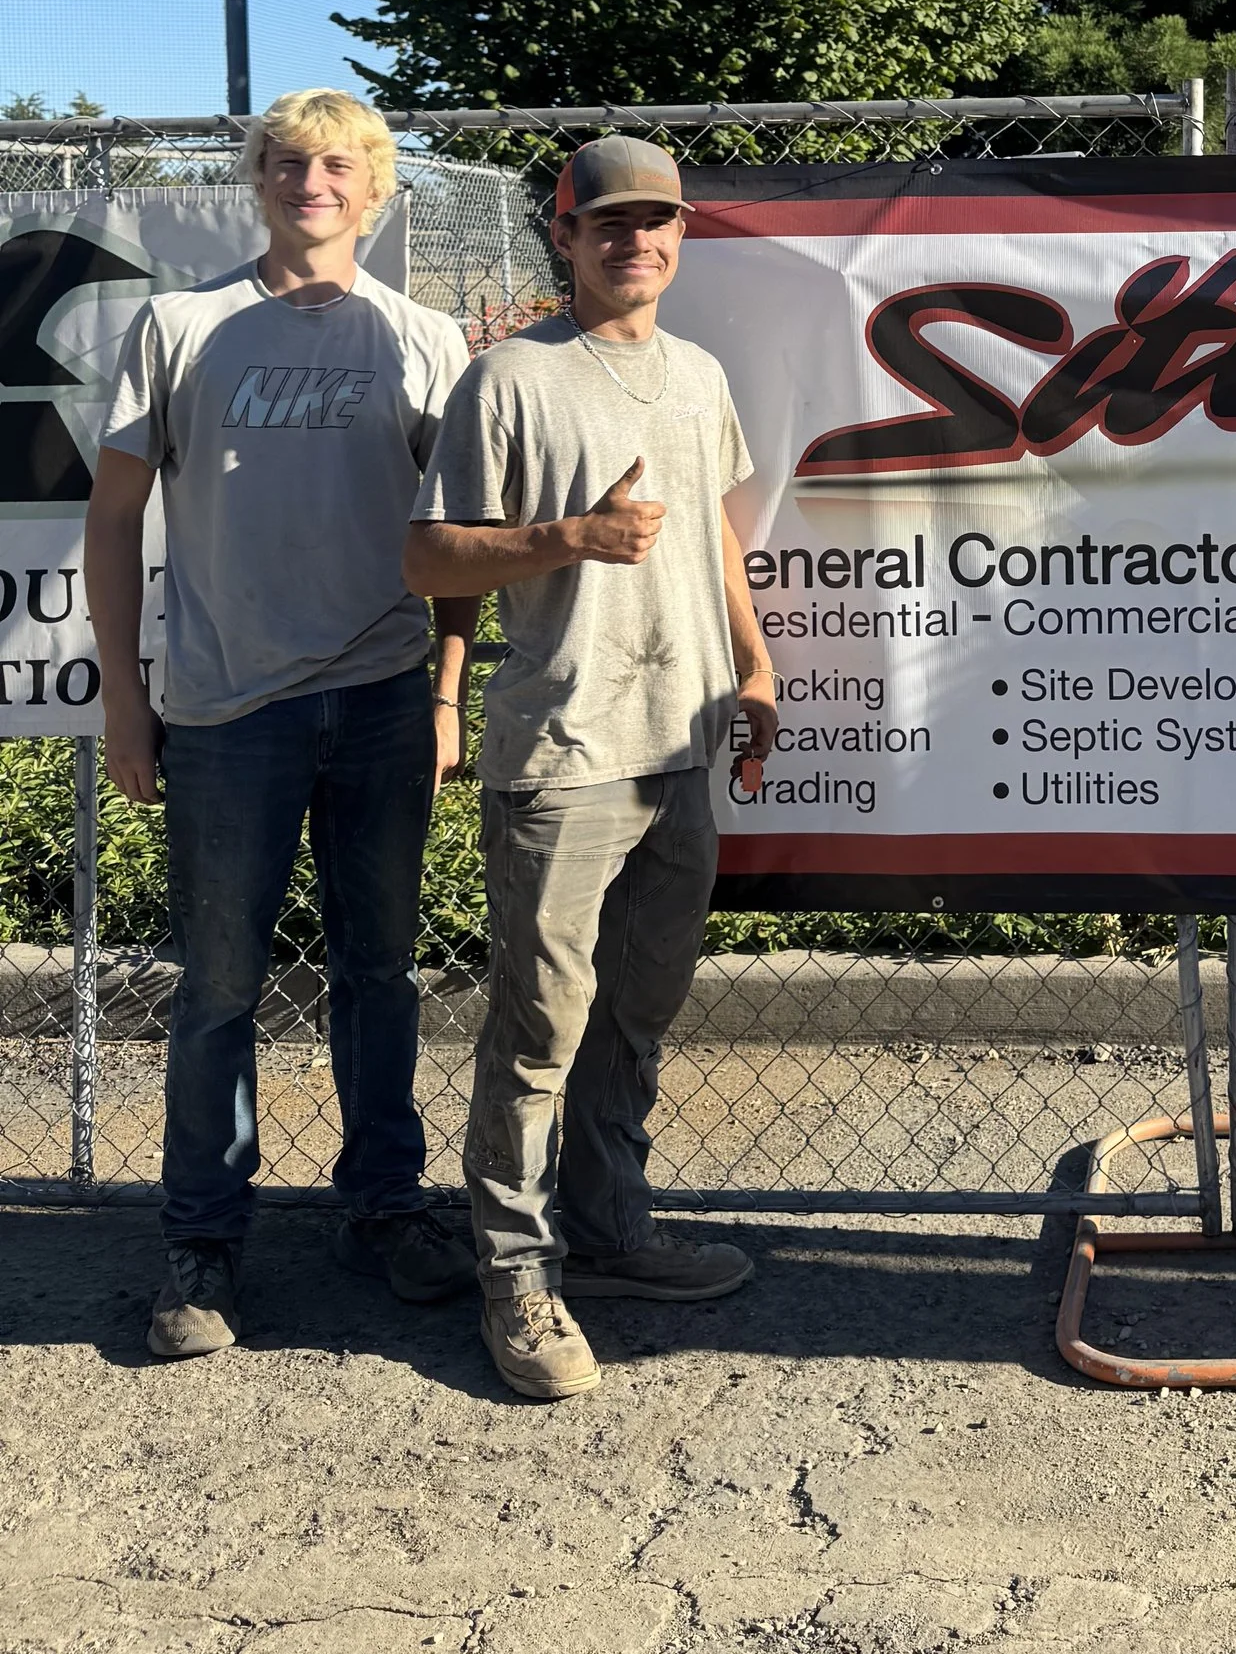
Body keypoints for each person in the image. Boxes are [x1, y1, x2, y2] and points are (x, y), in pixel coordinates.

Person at [86, 90, 480, 1360]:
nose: (312, 181)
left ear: (376, 191)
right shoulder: (181, 325)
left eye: (339, 164)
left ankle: (384, 1210)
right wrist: (128, 704)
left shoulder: (423, 339)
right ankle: (203, 1246)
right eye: (288, 162)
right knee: (215, 990)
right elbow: (112, 521)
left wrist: (445, 691)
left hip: (378, 702)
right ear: (257, 183)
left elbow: (457, 540)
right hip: (223, 712)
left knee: (379, 974)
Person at [405, 135, 777, 1403]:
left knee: (636, 1014)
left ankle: (612, 1235)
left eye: (657, 221)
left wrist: (757, 663)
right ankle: (513, 1268)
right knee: (539, 1026)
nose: (635, 240)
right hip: (562, 753)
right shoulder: (507, 380)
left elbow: (718, 539)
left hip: (681, 742)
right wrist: (572, 537)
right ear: (563, 237)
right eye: (606, 222)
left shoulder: (699, 378)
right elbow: (431, 560)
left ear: (682, 237)